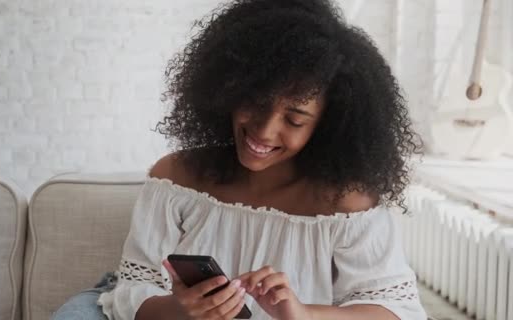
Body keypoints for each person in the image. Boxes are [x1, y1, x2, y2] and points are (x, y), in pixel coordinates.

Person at [52, 0, 426, 319]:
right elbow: (133, 287)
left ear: (328, 125)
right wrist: (181, 310)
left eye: (294, 119)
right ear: (227, 90)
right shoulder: (177, 176)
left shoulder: (346, 204)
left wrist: (303, 312)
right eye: (255, 104)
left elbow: (395, 309)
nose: (264, 132)